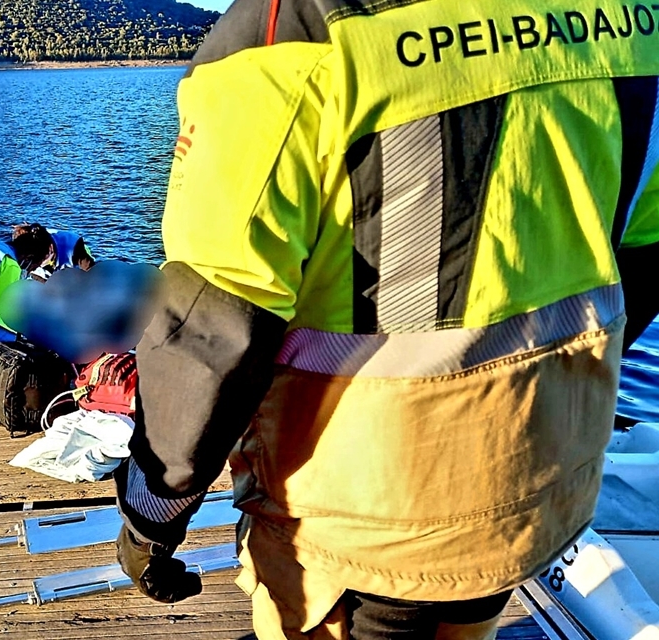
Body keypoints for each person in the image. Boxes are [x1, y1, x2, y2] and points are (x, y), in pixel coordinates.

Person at [113, 1, 659, 639]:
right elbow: (638, 257)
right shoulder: (629, 19)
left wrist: (151, 516)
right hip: (539, 483)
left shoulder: (286, 36)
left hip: (360, 525)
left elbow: (212, 329)